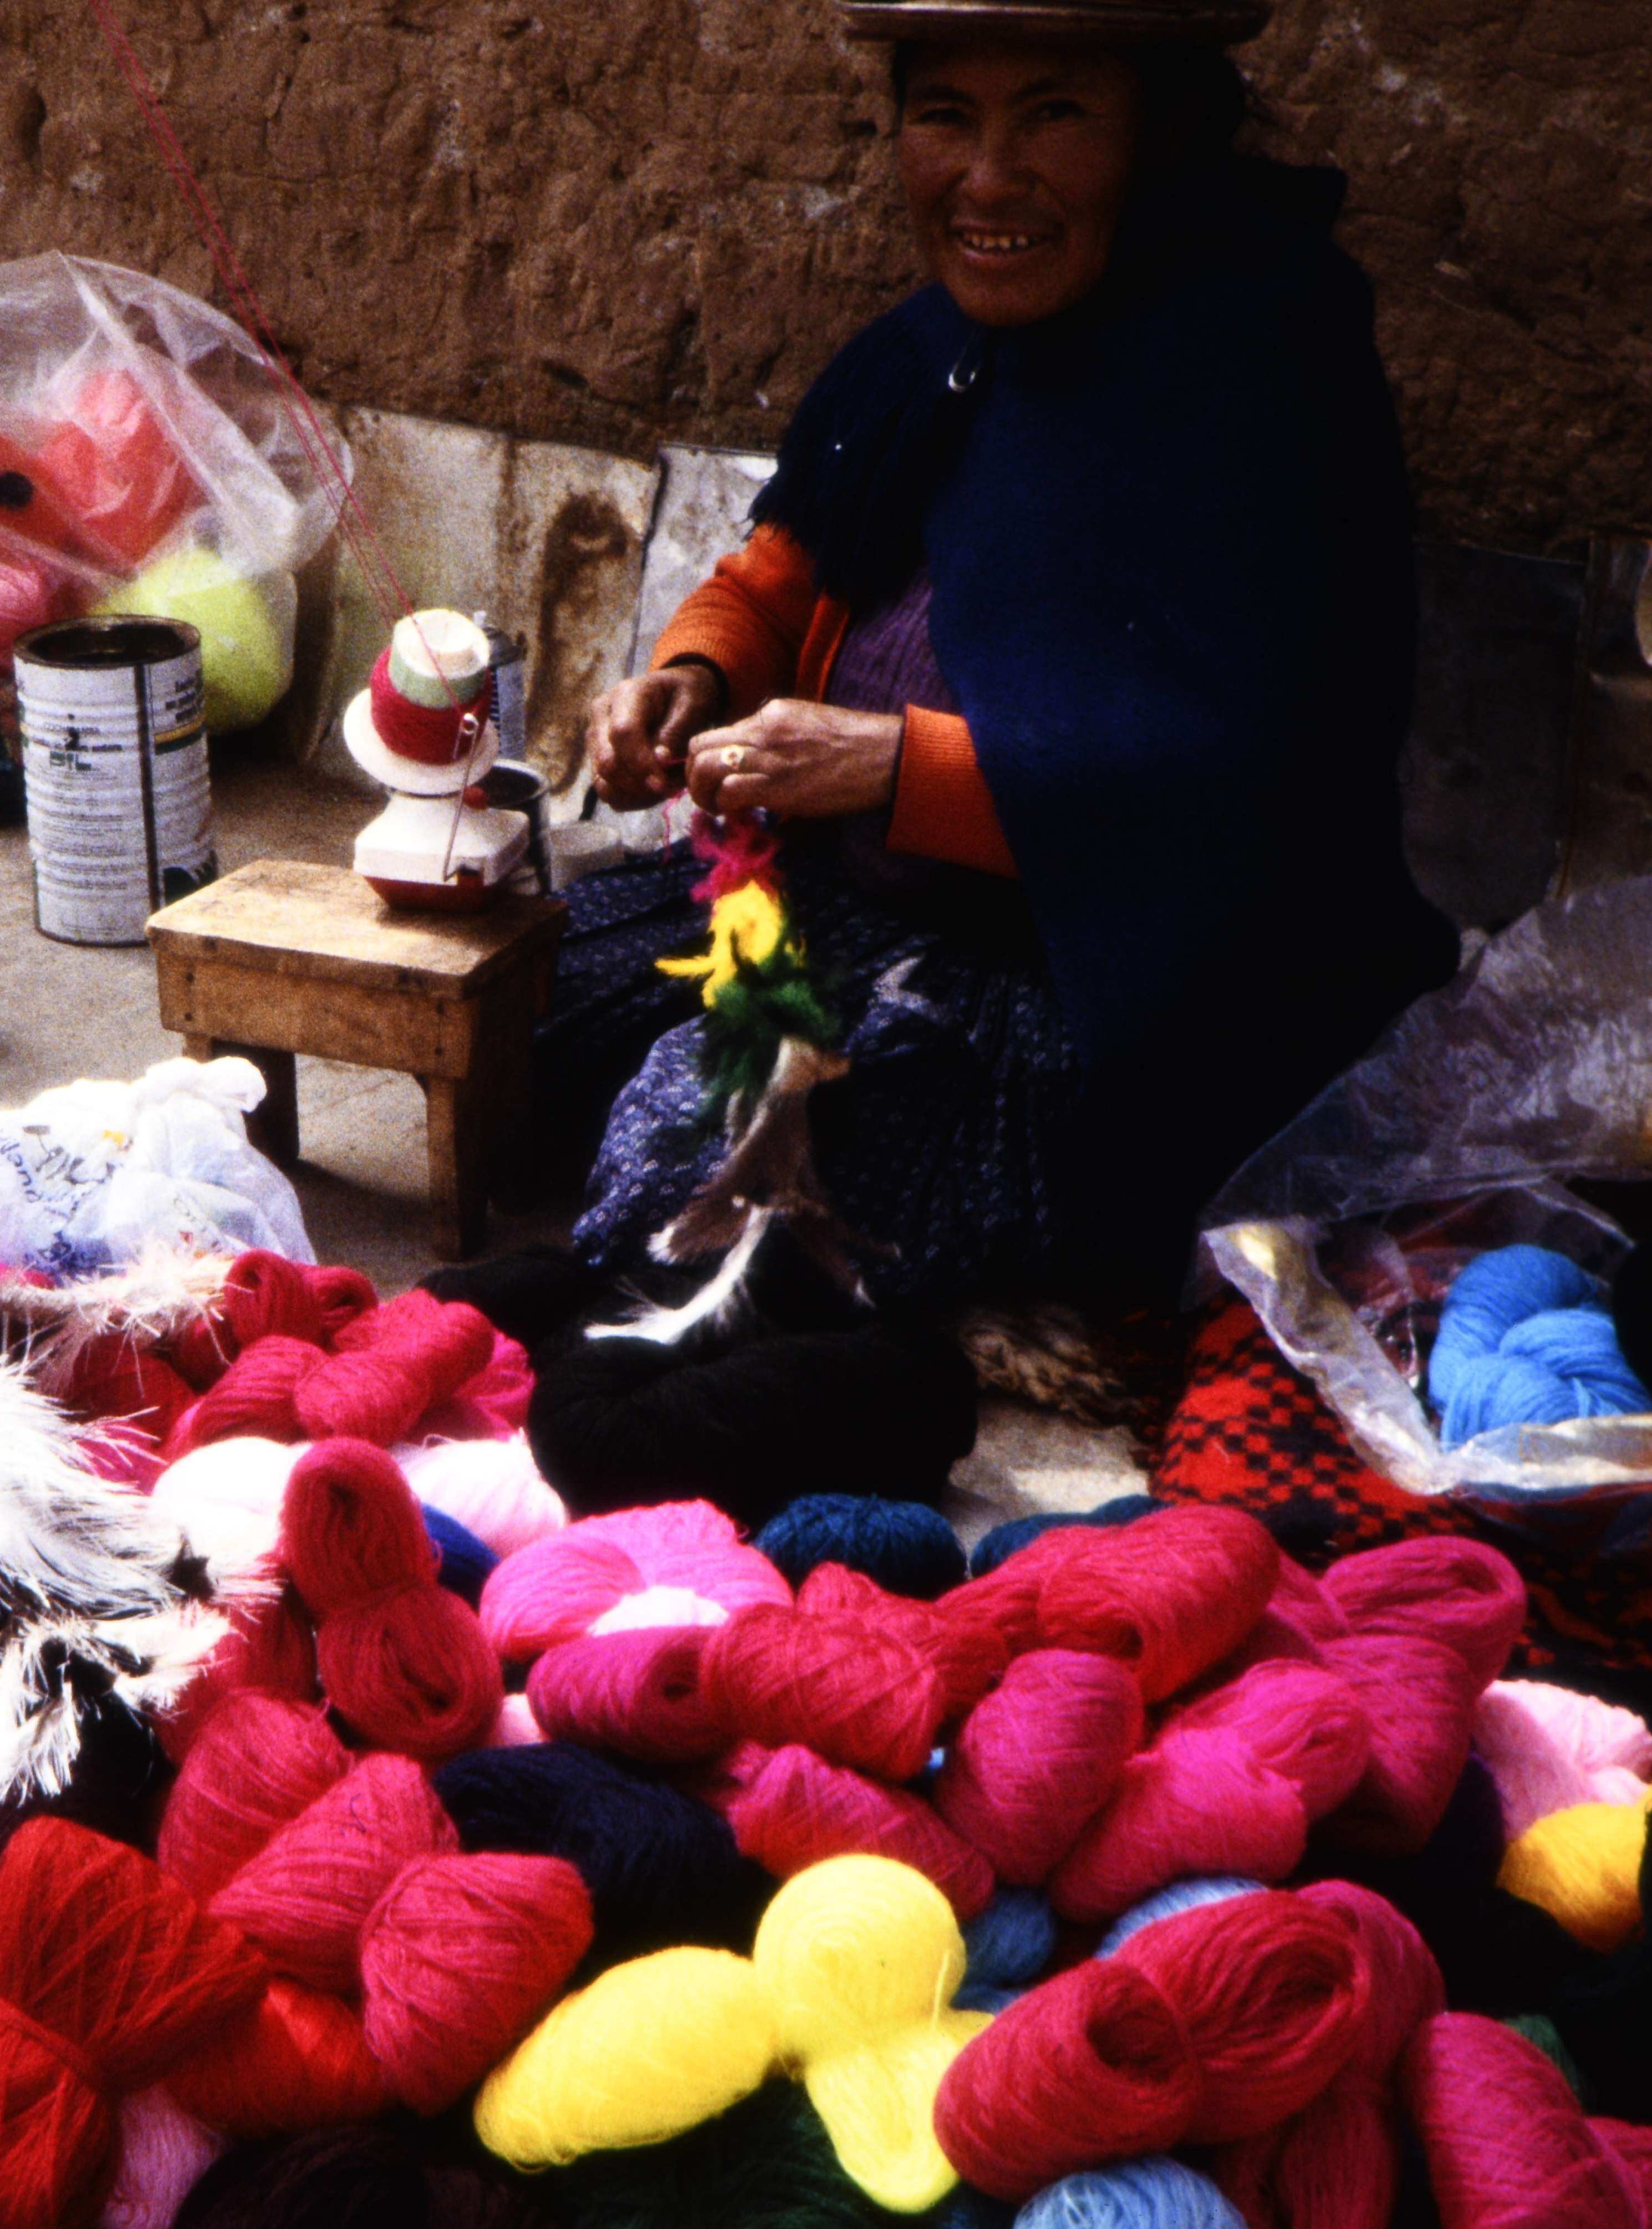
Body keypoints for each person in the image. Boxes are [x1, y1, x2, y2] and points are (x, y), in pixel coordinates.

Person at [555, 0, 1462, 1325]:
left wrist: (892, 768)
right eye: (944, 116)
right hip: (862, 916)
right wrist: (693, 675)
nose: (986, 179)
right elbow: (781, 570)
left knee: (774, 1204)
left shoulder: (1255, 381)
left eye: (1053, 115)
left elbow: (1247, 791)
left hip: (1093, 985)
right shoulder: (936, 352)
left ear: (1164, 130)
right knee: (548, 1008)